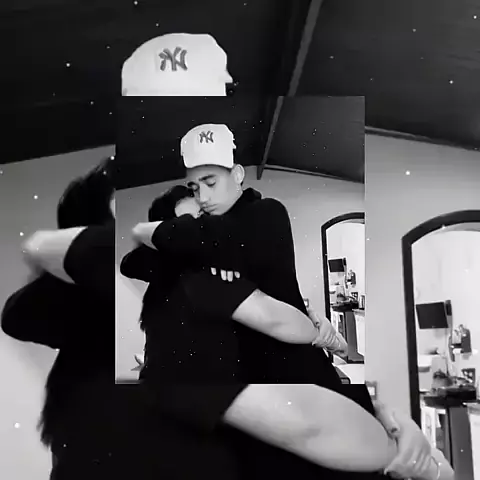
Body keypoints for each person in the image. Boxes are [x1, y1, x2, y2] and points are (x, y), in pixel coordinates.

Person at [129, 124, 453, 480]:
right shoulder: (190, 288)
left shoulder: (259, 218)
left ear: (237, 174)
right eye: (196, 189)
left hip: (309, 394)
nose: (204, 201)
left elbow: (287, 324)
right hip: (288, 420)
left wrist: (384, 416)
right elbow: (136, 263)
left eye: (210, 183)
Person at [121, 184, 348, 356]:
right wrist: (320, 334)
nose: (201, 229)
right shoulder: (188, 276)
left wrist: (312, 317)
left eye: (203, 218)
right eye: (186, 225)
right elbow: (276, 320)